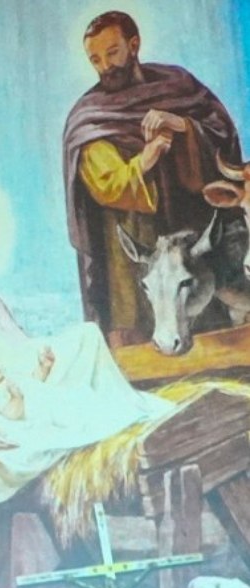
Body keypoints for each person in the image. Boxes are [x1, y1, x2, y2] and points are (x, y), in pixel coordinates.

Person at [0, 195, 172, 551]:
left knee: (86, 337)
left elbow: (15, 349)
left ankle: (116, 408)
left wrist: (41, 365)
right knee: (30, 428)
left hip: (3, 388)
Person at [63, 10, 241, 347]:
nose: (105, 66)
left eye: (112, 53)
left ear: (133, 45)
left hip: (193, 237)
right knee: (141, 340)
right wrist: (145, 160)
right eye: (96, 59)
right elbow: (105, 184)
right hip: (134, 246)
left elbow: (221, 137)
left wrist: (182, 126)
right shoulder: (91, 116)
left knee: (213, 328)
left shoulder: (179, 85)